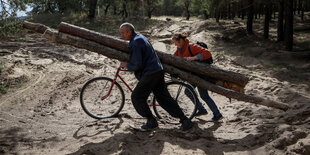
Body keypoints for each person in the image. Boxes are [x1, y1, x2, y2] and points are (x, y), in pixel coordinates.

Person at [119, 23, 194, 131]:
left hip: (150, 73)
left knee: (137, 97)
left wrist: (127, 65)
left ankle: (151, 120)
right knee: (164, 98)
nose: (121, 35)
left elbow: (137, 64)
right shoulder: (140, 38)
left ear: (129, 31)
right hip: (157, 70)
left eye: (122, 32)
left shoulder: (136, 42)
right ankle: (185, 120)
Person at [171, 33, 223, 121]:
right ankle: (202, 110)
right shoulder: (179, 49)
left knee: (204, 95)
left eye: (175, 42)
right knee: (188, 91)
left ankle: (217, 114)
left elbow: (207, 53)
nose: (174, 45)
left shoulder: (191, 46)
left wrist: (194, 58)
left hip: (201, 74)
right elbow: (173, 58)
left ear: (180, 40)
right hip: (193, 76)